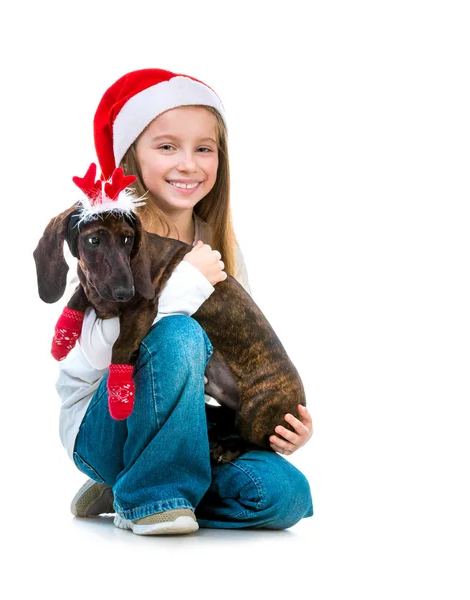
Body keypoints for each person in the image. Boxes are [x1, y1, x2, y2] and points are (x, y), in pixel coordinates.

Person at [56, 68, 314, 536]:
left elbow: (233, 354)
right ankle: (145, 497)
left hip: (184, 429)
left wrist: (277, 419)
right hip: (104, 423)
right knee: (180, 333)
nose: (189, 164)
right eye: (167, 146)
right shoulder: (111, 236)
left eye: (204, 148)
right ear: (132, 155)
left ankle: (138, 484)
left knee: (283, 496)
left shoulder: (221, 250)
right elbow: (93, 354)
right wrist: (185, 288)